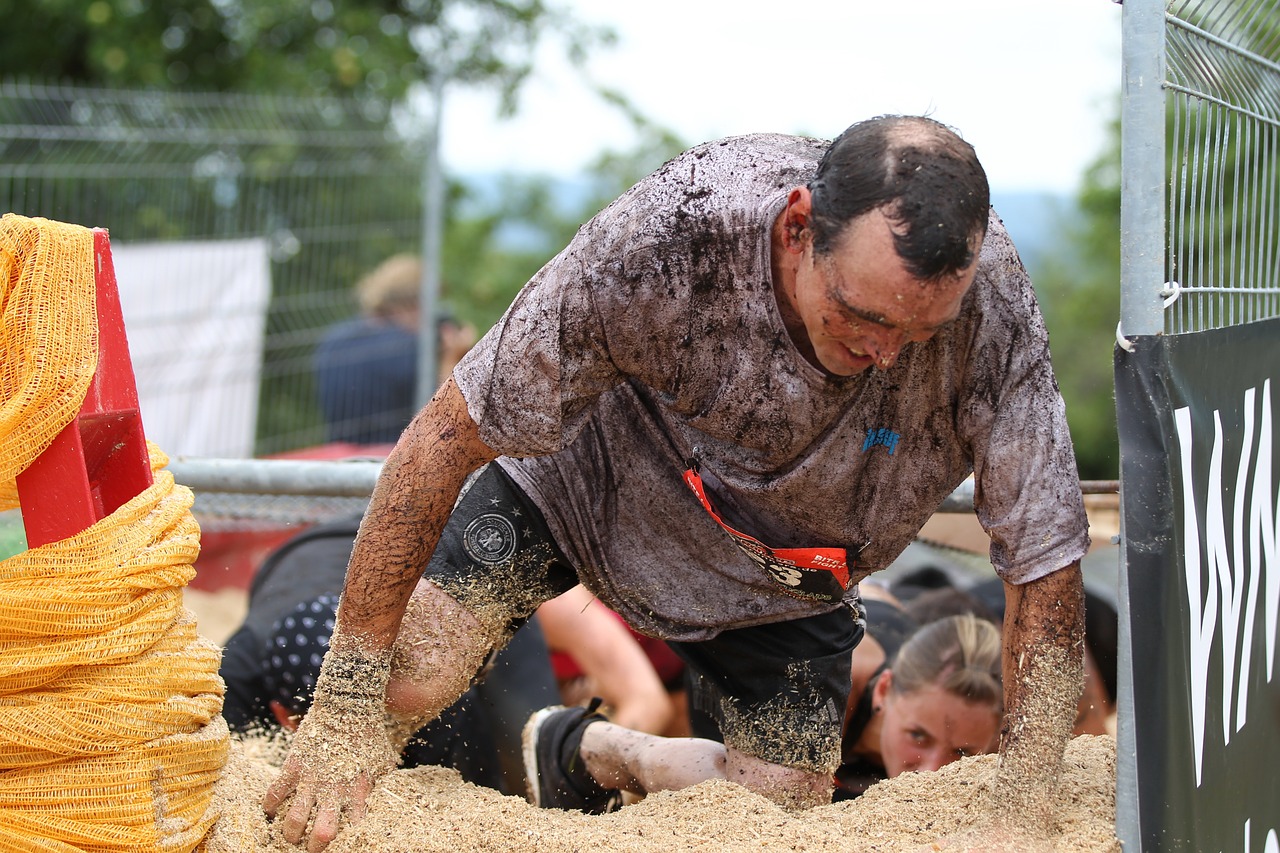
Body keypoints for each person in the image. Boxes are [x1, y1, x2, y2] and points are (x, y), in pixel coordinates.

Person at [264, 115, 1090, 851]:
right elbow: (439, 440)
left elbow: (1044, 561)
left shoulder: (998, 321)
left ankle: (610, 755)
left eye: (922, 330)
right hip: (592, 483)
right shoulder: (674, 234)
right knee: (406, 676)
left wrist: (1022, 809)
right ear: (799, 227)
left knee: (774, 821)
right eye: (864, 316)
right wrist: (343, 703)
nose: (889, 354)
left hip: (791, 570)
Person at [313, 254, 476, 445]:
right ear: (415, 303)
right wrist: (453, 357)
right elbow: (447, 418)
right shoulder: (410, 349)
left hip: (340, 456)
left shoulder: (332, 341)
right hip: (391, 459)